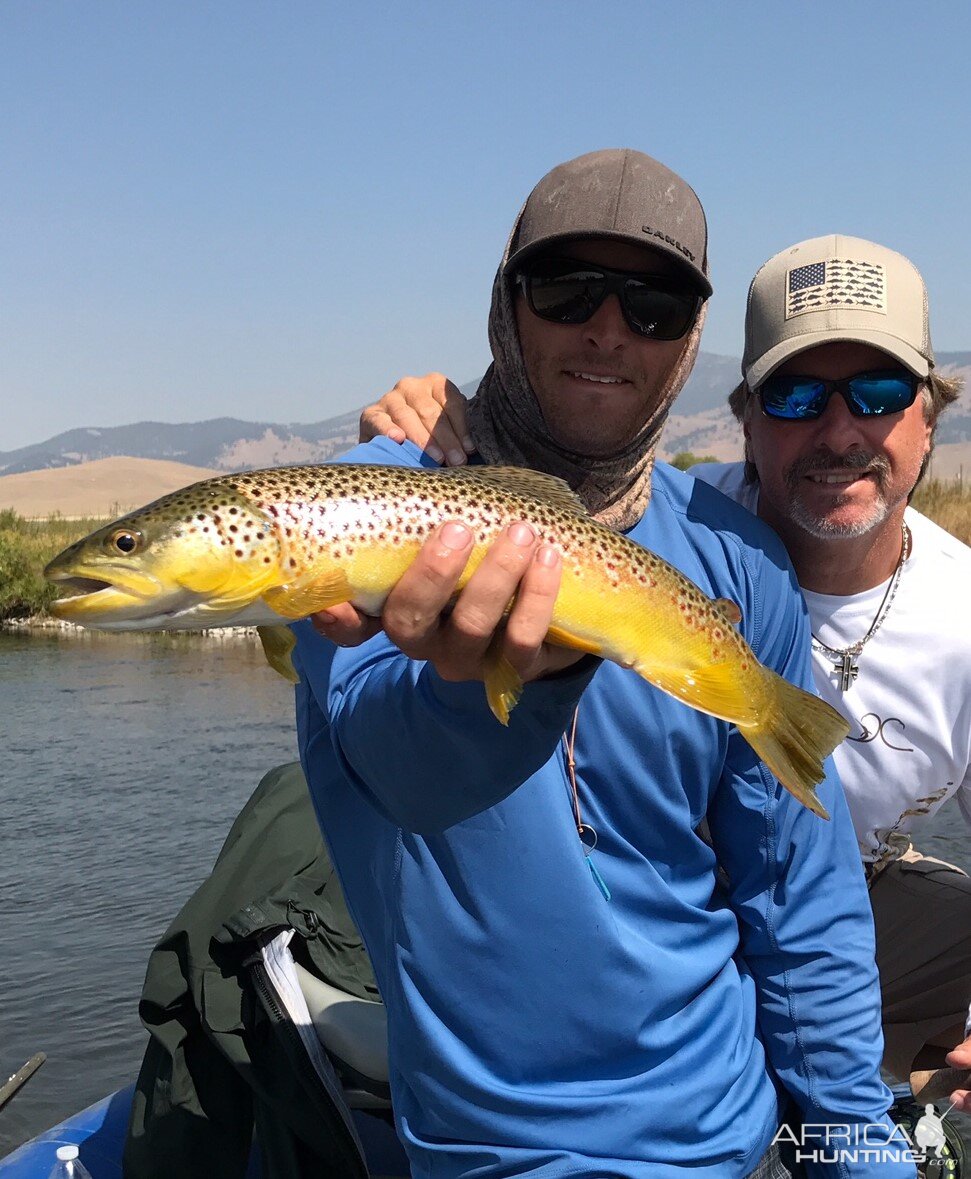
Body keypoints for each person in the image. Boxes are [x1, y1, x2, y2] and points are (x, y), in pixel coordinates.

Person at [293, 150, 913, 1177]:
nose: (608, 328)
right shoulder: (366, 504)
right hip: (496, 1154)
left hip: (731, 1132)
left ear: (691, 340)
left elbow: (797, 902)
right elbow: (398, 768)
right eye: (567, 287)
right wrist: (511, 679)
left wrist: (856, 1148)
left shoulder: (738, 561)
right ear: (507, 304)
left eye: (655, 304)